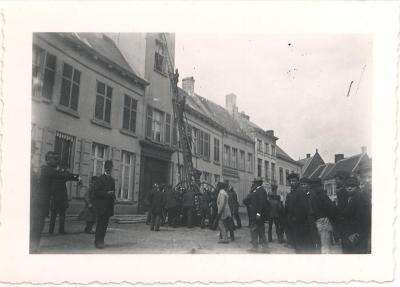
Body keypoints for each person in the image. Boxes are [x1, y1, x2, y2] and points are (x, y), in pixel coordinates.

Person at [341, 177, 371, 254]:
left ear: (357, 187)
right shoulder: (352, 197)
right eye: (347, 186)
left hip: (357, 233)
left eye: (352, 186)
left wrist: (356, 233)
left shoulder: (360, 197)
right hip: (354, 232)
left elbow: (363, 217)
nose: (349, 188)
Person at [48, 163, 80, 234]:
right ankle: (61, 231)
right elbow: (70, 176)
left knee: (53, 216)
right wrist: (78, 177)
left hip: (55, 199)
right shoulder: (63, 175)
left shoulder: (53, 175)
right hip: (61, 199)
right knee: (62, 216)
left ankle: (51, 231)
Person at [30, 145, 49, 253]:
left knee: (37, 225)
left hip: (36, 202)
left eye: (32, 152)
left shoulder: (37, 169)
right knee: (35, 225)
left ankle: (33, 246)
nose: (32, 155)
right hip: (34, 201)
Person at [309, 178, 336, 254]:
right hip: (323, 221)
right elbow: (331, 207)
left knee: (319, 246)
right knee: (325, 246)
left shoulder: (311, 195)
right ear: (320, 186)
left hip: (315, 222)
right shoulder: (322, 195)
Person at [93, 160, 115, 249]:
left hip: (109, 206)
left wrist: (114, 197)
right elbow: (96, 192)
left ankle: (102, 241)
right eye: (107, 167)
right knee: (100, 225)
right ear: (105, 168)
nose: (108, 169)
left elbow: (113, 191)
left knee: (105, 225)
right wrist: (107, 193)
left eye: (110, 168)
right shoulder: (100, 179)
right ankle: (97, 242)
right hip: (101, 206)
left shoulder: (112, 180)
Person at [248, 178, 269, 253]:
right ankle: (265, 248)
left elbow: (262, 203)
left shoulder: (260, 191)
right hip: (257, 215)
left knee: (255, 230)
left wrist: (258, 213)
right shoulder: (259, 190)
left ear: (257, 183)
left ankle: (256, 247)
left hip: (258, 215)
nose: (253, 184)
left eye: (254, 182)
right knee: (260, 231)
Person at [284, 172, 299, 248]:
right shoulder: (290, 193)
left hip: (297, 217)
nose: (292, 183)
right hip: (290, 216)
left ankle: (295, 244)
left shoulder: (299, 192)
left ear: (297, 181)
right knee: (289, 230)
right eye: (290, 181)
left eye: (294, 181)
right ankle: (292, 243)